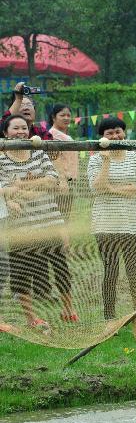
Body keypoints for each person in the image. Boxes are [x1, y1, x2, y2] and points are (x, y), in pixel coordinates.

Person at [0, 114, 77, 327]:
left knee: (60, 266)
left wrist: (22, 188)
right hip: (19, 225)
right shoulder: (1, 158)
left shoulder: (38, 153)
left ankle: (68, 309)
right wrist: (27, 187)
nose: (21, 132)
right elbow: (5, 189)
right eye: (15, 128)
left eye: (24, 128)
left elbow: (53, 181)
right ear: (6, 133)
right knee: (21, 271)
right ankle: (31, 317)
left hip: (49, 220)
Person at [87, 118, 136, 331]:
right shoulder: (96, 159)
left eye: (118, 132)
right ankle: (109, 319)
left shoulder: (135, 157)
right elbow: (96, 188)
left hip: (132, 223)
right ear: (101, 136)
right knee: (110, 272)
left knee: (135, 272)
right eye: (109, 133)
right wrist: (106, 162)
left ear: (124, 133)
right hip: (105, 224)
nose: (114, 137)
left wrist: (112, 189)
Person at [48, 104, 78, 219]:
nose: (66, 118)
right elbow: (55, 160)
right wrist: (62, 181)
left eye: (68, 115)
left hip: (70, 180)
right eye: (62, 115)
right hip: (60, 181)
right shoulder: (52, 136)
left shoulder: (64, 136)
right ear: (53, 117)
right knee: (60, 216)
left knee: (66, 214)